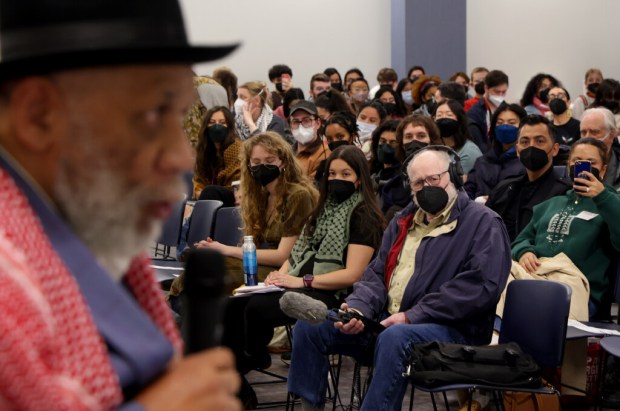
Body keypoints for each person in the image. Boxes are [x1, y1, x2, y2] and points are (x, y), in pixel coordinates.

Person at [0, 0, 242, 409]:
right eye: (153, 114)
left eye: (181, 115)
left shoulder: (96, 237)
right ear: (39, 116)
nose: (181, 158)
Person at [287, 146, 511, 411]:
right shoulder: (402, 220)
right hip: (389, 322)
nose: (426, 186)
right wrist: (359, 308)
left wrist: (411, 316)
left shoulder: (483, 222)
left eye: (434, 179)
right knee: (311, 327)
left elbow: (480, 287)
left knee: (396, 338)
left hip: (454, 331)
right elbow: (376, 275)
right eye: (418, 182)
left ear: (453, 175)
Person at [223, 145, 385, 406]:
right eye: (332, 174)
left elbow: (353, 275)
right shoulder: (322, 212)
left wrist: (301, 281)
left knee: (255, 309)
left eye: (346, 174)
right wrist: (279, 275)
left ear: (359, 179)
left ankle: (247, 362)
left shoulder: (364, 216)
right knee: (233, 304)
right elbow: (296, 254)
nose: (337, 180)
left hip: (335, 296)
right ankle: (238, 375)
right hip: (302, 285)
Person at [180, 131, 318, 289]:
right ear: (249, 166)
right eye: (256, 162)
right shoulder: (261, 196)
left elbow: (283, 256)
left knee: (208, 271)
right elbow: (254, 246)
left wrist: (224, 249)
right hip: (263, 266)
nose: (262, 166)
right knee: (203, 264)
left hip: (285, 272)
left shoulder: (298, 195)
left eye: (270, 160)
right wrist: (216, 249)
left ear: (284, 162)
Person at [512, 138, 620, 317]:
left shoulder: (611, 203)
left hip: (576, 286)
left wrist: (602, 196)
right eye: (576, 161)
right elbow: (521, 239)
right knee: (499, 280)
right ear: (569, 165)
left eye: (591, 163)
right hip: (536, 275)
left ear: (603, 169)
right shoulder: (551, 203)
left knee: (537, 307)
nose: (582, 166)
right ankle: (497, 340)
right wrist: (524, 251)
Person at [487, 115, 571, 241]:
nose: (531, 147)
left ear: (554, 149)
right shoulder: (504, 188)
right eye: (525, 142)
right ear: (517, 150)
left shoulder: (565, 193)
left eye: (540, 141)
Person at [464, 103, 527, 200]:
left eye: (511, 122)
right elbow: (467, 191)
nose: (505, 126)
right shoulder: (482, 161)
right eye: (500, 122)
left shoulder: (526, 162)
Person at [192, 106, 242, 202]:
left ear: (229, 126)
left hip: (233, 196)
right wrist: (199, 191)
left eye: (222, 123)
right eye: (212, 123)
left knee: (211, 191)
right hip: (207, 197)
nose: (217, 127)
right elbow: (198, 180)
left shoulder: (238, 149)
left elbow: (236, 184)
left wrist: (206, 192)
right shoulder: (204, 150)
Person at [434, 100, 482, 176]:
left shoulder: (469, 151)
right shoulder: (433, 147)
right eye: (439, 115)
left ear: (460, 120)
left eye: (449, 115)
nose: (443, 118)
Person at [467, 69, 509, 151]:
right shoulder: (474, 113)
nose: (500, 95)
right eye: (496, 92)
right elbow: (478, 144)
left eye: (503, 92)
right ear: (486, 88)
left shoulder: (509, 110)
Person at [580, 107, 620, 191]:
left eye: (594, 132)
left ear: (611, 135)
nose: (587, 138)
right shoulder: (569, 165)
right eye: (583, 132)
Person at [289, 101, 331, 179]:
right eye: (295, 121)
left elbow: (311, 187)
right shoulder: (286, 152)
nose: (300, 126)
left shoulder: (324, 153)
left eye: (307, 120)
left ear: (318, 123)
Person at [369, 120, 402, 195]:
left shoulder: (404, 178)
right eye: (382, 141)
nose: (386, 146)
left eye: (393, 143)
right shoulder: (371, 172)